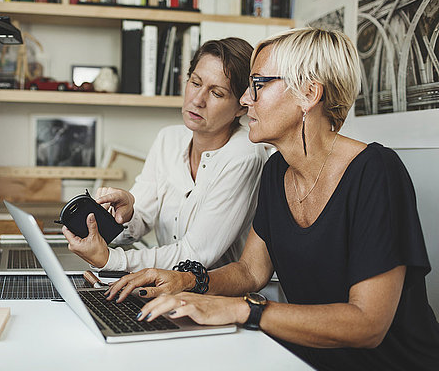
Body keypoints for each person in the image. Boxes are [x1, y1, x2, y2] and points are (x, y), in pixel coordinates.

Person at [105, 28, 439, 370]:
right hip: (303, 358)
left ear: (308, 94)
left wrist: (242, 309)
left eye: (259, 84)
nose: (246, 99)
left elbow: (368, 324)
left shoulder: (376, 172)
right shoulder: (277, 169)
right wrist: (187, 281)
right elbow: (251, 270)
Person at [62, 38, 268, 272]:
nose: (198, 100)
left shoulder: (245, 155)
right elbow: (138, 222)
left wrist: (111, 260)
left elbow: (195, 255)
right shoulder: (168, 139)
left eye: (217, 93)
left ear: (242, 105)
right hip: (165, 290)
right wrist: (125, 214)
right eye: (195, 82)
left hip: (219, 299)